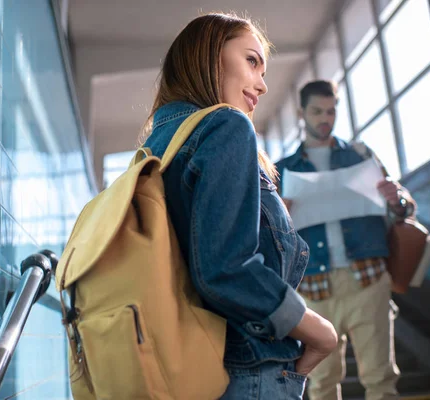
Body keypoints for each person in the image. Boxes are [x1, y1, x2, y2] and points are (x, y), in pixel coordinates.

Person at [141, 13, 338, 399]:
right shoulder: (226, 126)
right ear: (211, 54)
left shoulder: (156, 147)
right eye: (252, 61)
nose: (262, 86)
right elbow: (225, 269)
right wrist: (318, 331)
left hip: (189, 366)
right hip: (249, 368)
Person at [276, 80, 417, 400]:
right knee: (322, 383)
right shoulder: (282, 171)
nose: (325, 118)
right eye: (317, 111)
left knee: (380, 378)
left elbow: (404, 209)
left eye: (331, 111)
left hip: (368, 280)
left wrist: (398, 200)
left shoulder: (361, 155)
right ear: (301, 113)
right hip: (314, 289)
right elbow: (269, 240)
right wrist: (280, 217)